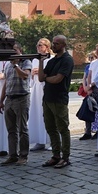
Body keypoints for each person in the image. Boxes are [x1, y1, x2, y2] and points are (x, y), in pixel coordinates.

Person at [39, 35, 73, 168]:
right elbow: (41, 77)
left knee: (63, 128)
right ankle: (55, 155)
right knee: (50, 128)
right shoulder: (52, 61)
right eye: (53, 43)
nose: (54, 46)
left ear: (64, 45)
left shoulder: (67, 60)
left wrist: (48, 78)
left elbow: (58, 79)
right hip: (47, 98)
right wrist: (41, 61)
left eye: (57, 44)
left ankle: (65, 157)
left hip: (59, 99)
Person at [0, 43, 33, 165]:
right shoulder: (7, 65)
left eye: (15, 51)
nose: (12, 54)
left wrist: (16, 65)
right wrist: (1, 101)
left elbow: (25, 75)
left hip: (22, 98)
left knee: (23, 129)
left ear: (20, 51)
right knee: (11, 130)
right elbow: (6, 83)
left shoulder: (26, 62)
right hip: (9, 99)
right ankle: (12, 155)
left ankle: (23, 155)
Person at [29, 38, 51, 151]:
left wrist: (42, 72)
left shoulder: (51, 59)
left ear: (47, 47)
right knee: (37, 114)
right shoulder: (34, 60)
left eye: (41, 45)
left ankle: (51, 141)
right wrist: (32, 74)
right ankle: (39, 141)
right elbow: (31, 80)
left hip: (46, 89)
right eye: (37, 45)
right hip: (37, 89)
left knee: (48, 115)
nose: (38, 47)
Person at [82, 43, 98, 140]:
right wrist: (88, 87)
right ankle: (87, 132)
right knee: (88, 109)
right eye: (96, 49)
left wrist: (92, 85)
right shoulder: (94, 62)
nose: (97, 51)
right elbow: (89, 75)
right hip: (91, 88)